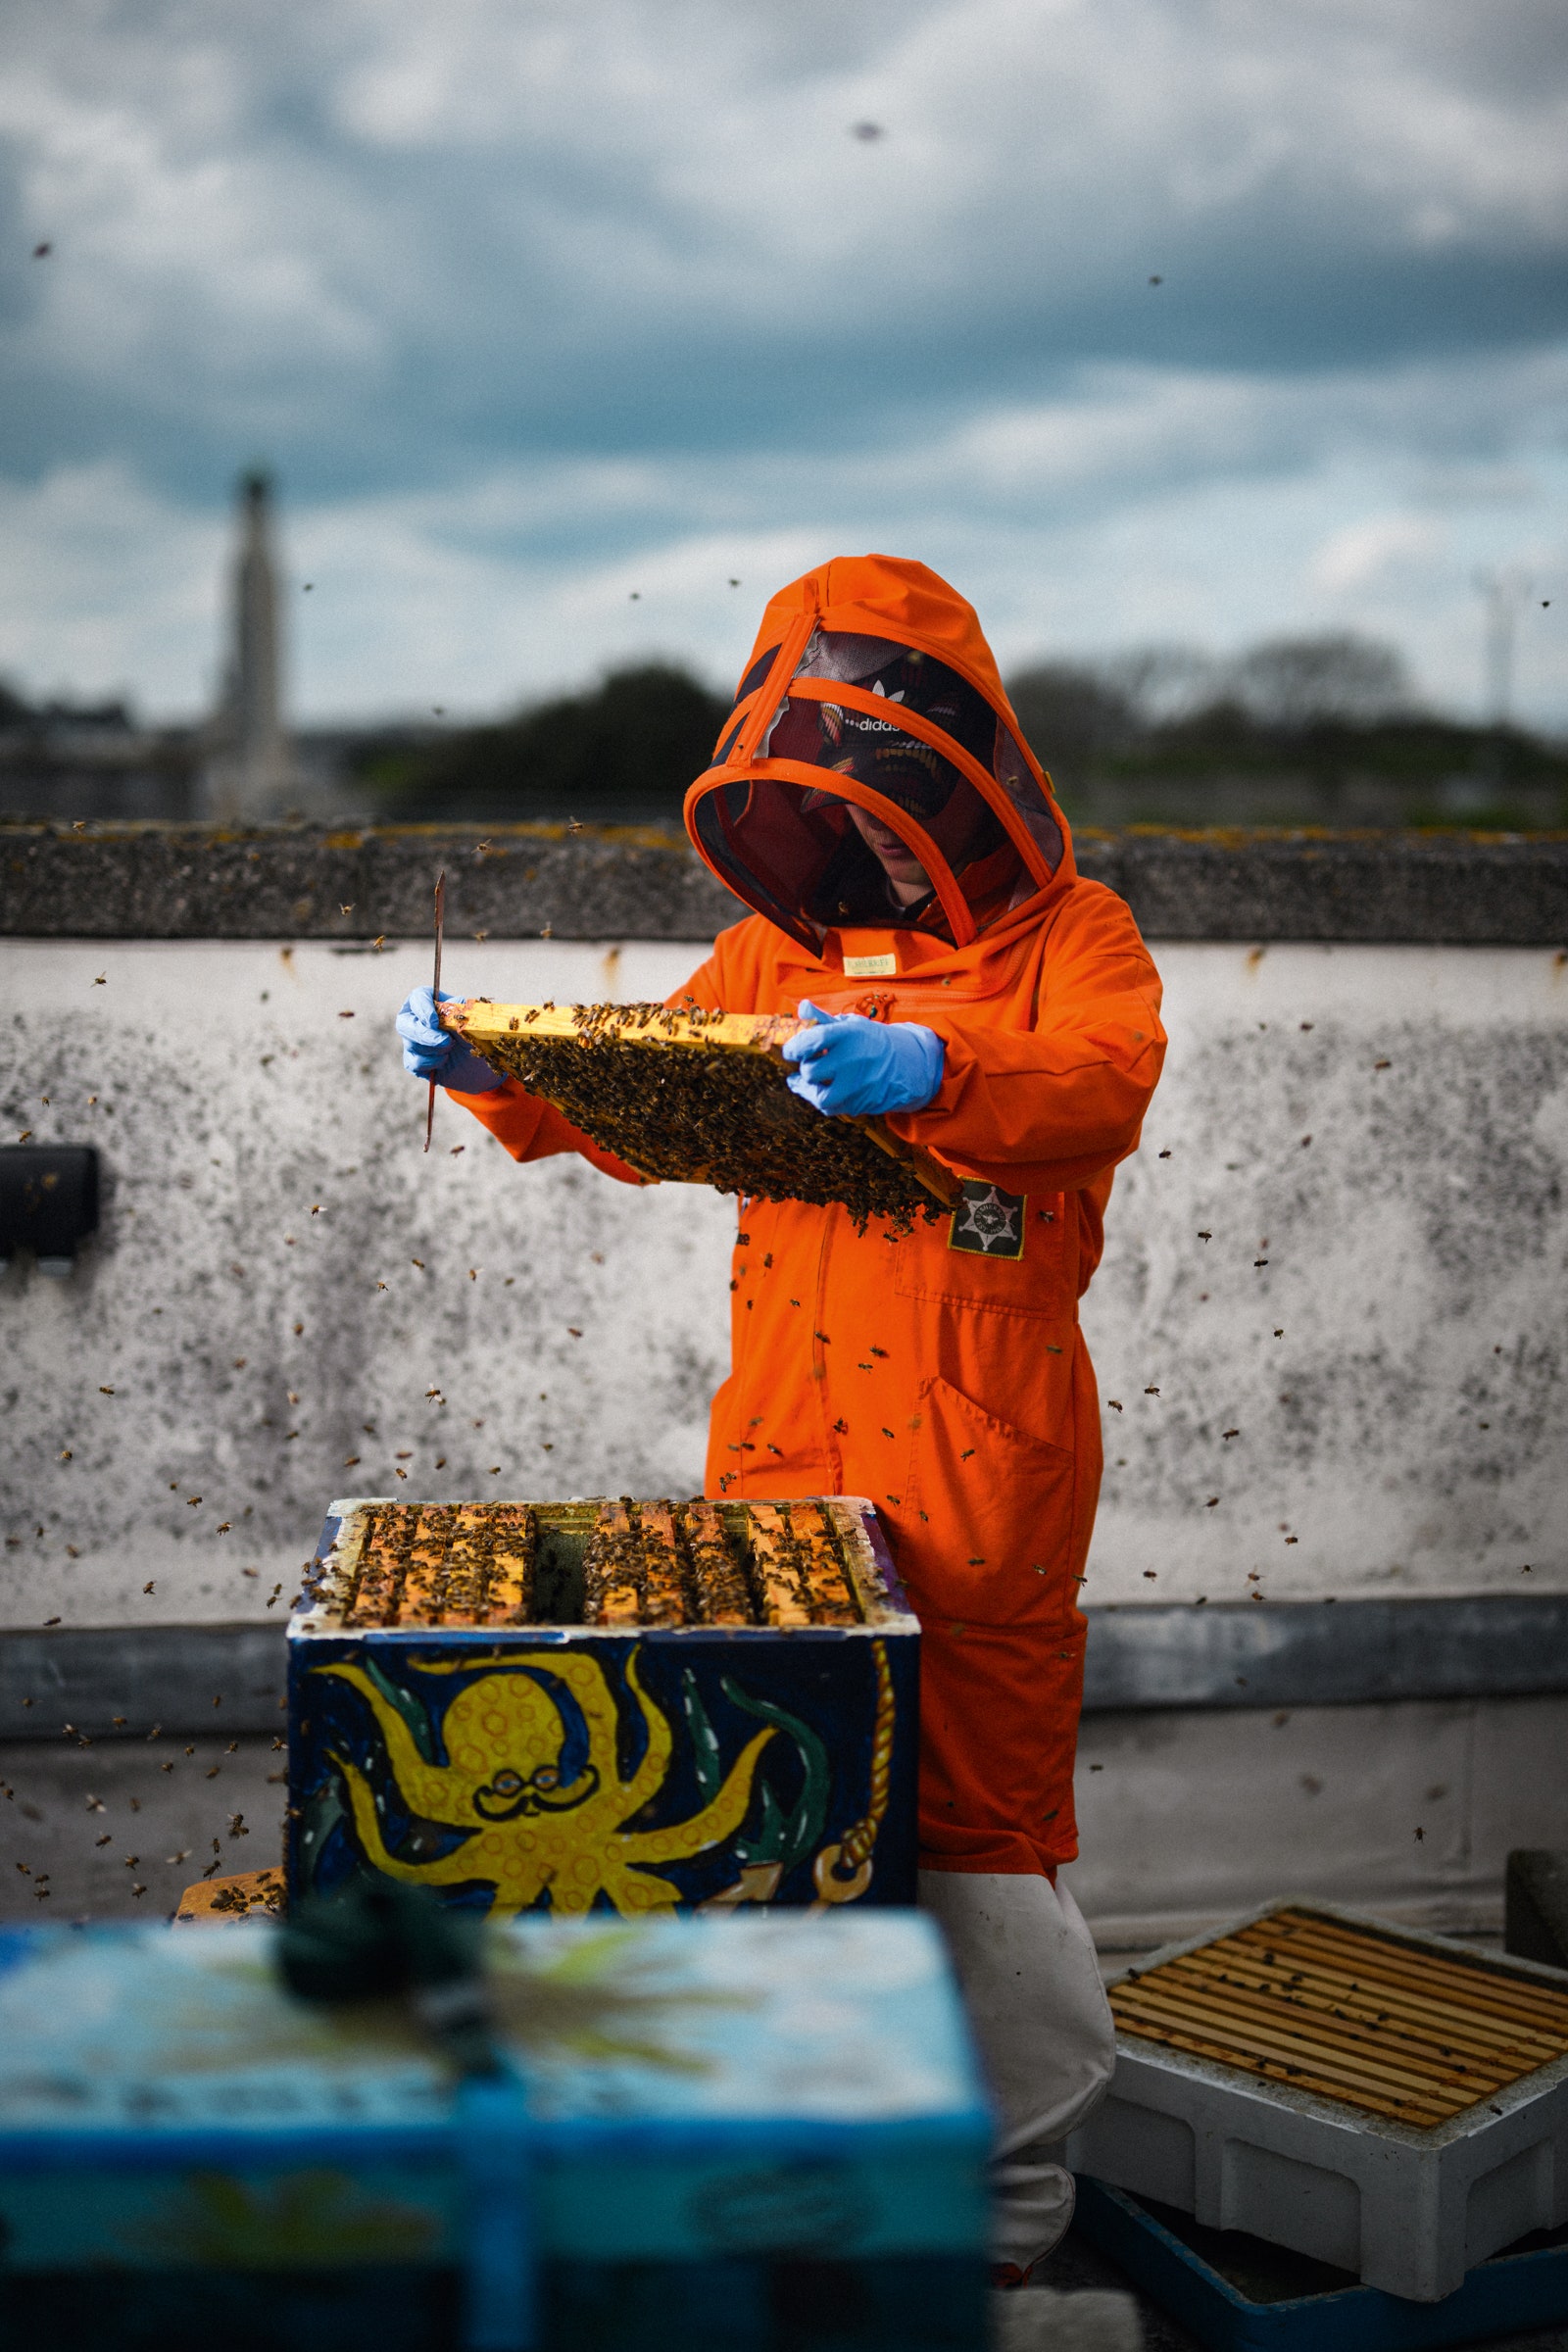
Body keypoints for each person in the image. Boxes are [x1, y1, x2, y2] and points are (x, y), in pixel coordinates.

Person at [397, 555, 1166, 2282]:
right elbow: (645, 1093)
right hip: (785, 1452)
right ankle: (815, 2153)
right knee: (775, 1796)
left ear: (963, 774)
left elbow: (1110, 1078)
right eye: (834, 796)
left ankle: (1011, 2209)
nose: (867, 834)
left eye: (885, 788)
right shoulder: (764, 952)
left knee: (977, 1827)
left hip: (978, 1464)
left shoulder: (1076, 941)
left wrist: (942, 1074)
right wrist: (504, 1074)